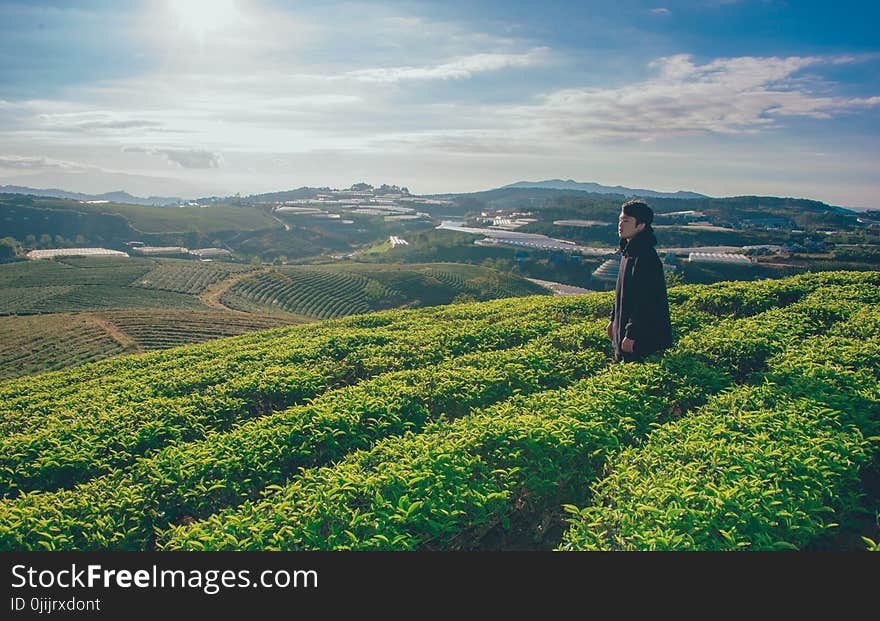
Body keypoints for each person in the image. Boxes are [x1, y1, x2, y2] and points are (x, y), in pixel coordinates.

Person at [606, 199, 673, 363]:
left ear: (641, 225)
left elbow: (645, 301)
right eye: (620, 220)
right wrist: (612, 320)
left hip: (641, 340)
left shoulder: (645, 257)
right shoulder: (628, 253)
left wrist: (631, 335)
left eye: (626, 221)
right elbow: (621, 294)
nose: (620, 225)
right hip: (625, 334)